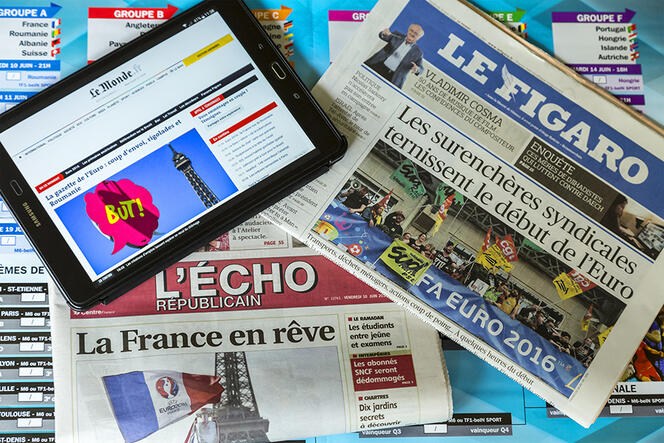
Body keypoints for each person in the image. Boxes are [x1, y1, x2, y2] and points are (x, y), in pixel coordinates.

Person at [364, 24, 425, 89]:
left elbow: (421, 69)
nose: (412, 34)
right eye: (411, 30)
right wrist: (384, 33)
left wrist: (417, 69)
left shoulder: (418, 52)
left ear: (419, 37)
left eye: (416, 33)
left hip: (393, 78)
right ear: (408, 30)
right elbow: (383, 36)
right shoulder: (397, 35)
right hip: (377, 65)